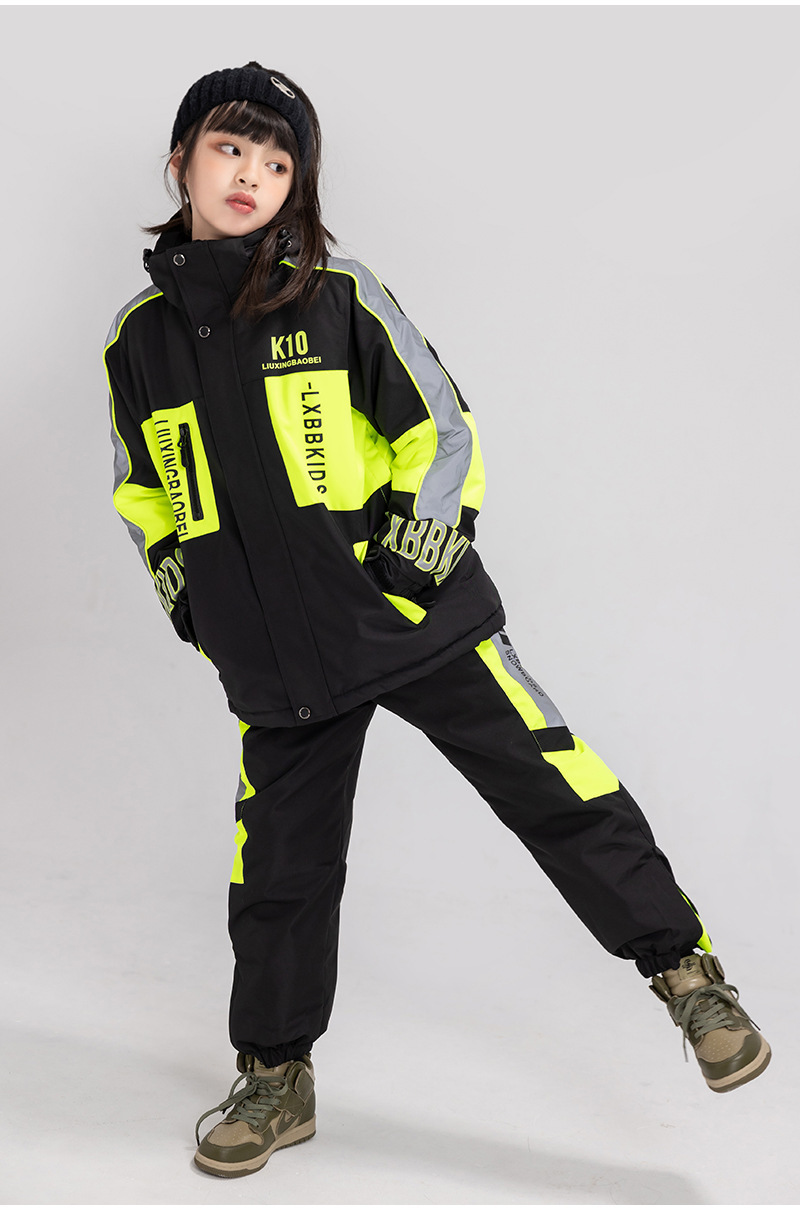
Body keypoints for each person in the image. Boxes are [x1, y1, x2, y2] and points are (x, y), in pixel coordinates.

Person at [104, 62, 771, 1180]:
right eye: (229, 148)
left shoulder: (337, 295)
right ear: (181, 162)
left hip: (414, 621)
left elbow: (439, 427)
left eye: (278, 161)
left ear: (297, 187)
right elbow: (145, 489)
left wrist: (410, 566)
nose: (252, 174)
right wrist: (194, 601)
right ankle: (275, 1075)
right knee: (279, 872)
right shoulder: (138, 340)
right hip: (280, 665)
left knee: (554, 789)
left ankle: (687, 975)